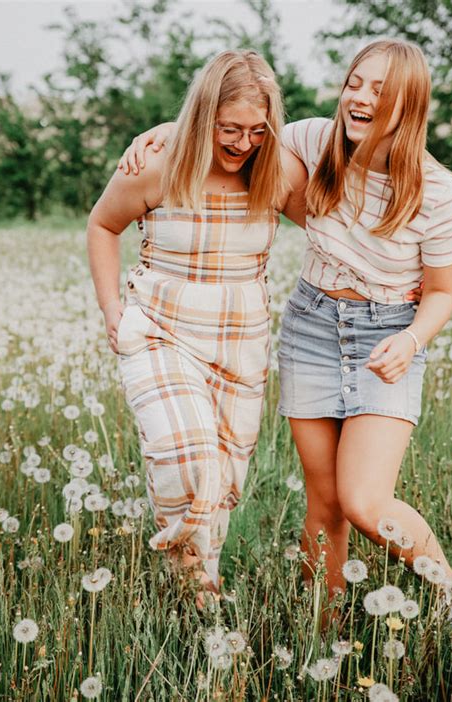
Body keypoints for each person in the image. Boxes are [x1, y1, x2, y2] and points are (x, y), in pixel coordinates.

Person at [118, 39, 452, 597]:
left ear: (409, 104)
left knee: (364, 500)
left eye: (379, 90)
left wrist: (413, 338)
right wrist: (163, 130)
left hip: (388, 337)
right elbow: (230, 125)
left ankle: (450, 593)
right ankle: (323, 637)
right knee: (324, 505)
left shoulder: (440, 193)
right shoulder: (313, 138)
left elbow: (443, 291)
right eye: (354, 83)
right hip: (313, 327)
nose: (360, 97)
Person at [87, 50, 307, 607]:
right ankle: (197, 589)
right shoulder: (159, 164)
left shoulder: (276, 171)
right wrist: (113, 310)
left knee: (224, 477)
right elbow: (102, 224)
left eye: (257, 131)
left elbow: (336, 222)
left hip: (240, 341)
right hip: (159, 330)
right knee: (187, 455)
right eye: (229, 129)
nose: (242, 144)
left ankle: (196, 593)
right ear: (203, 116)